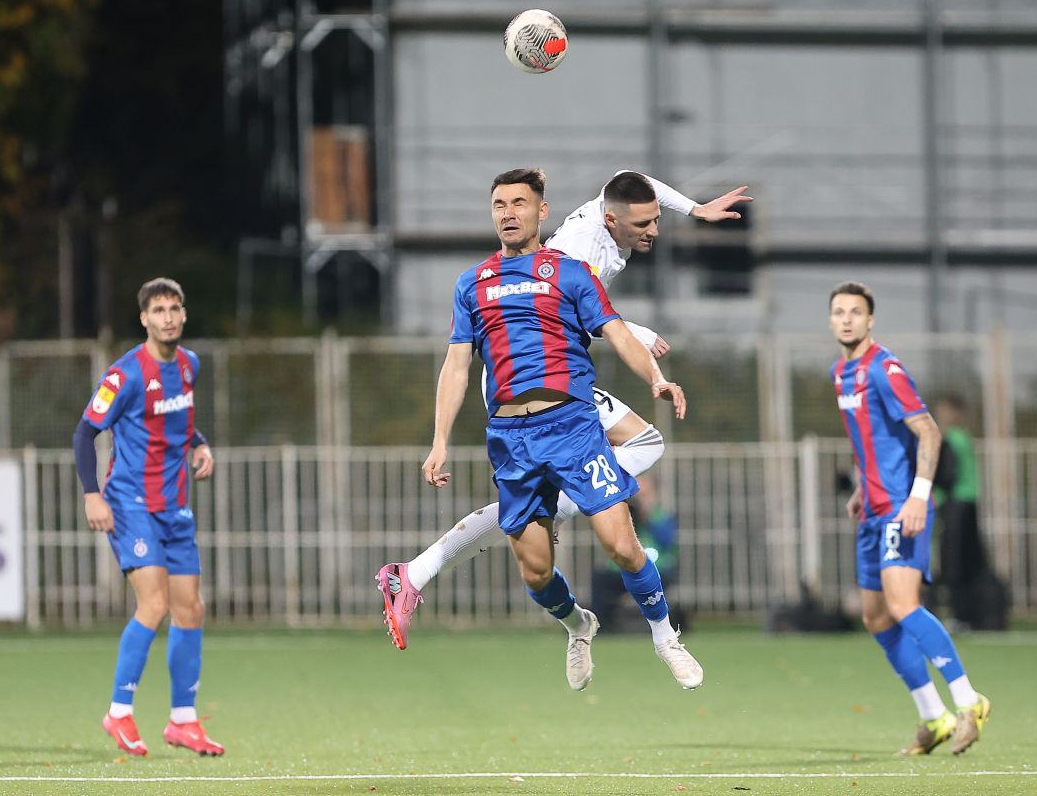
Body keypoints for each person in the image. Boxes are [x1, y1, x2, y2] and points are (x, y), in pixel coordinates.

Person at [376, 170, 750, 649]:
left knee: (641, 446)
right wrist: (637, 336)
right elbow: (557, 311)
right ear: (611, 220)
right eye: (645, 224)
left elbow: (635, 180)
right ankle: (424, 568)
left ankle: (418, 571)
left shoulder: (606, 216)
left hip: (552, 380)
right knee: (642, 443)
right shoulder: (568, 257)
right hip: (531, 382)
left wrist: (694, 210)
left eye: (656, 220)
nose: (653, 230)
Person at [829, 281, 990, 756]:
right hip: (873, 510)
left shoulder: (884, 367)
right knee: (876, 616)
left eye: (855, 312)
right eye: (838, 311)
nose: (846, 319)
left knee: (902, 604)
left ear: (870, 320)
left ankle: (969, 702)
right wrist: (862, 486)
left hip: (903, 506)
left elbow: (929, 433)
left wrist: (918, 496)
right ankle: (934, 717)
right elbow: (871, 439)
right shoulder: (841, 372)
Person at [74, 277, 224, 757]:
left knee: (191, 609)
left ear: (183, 313)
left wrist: (199, 445)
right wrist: (91, 496)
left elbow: (175, 417)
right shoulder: (124, 375)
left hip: (175, 507)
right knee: (154, 605)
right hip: (130, 504)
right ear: (144, 319)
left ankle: (182, 721)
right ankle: (118, 712)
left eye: (174, 308)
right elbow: (83, 435)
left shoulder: (188, 365)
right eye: (158, 310)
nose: (168, 317)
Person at [590, 474, 680, 632]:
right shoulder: (624, 514)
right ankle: (602, 626)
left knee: (658, 581)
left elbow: (666, 541)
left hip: (657, 568)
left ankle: (663, 626)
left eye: (644, 494)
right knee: (600, 578)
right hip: (620, 570)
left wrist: (649, 513)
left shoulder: (661, 515)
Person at [931, 394, 986, 628]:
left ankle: (960, 615)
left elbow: (947, 475)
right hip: (969, 503)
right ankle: (971, 614)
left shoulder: (951, 439)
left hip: (955, 505)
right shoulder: (965, 438)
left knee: (953, 561)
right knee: (968, 559)